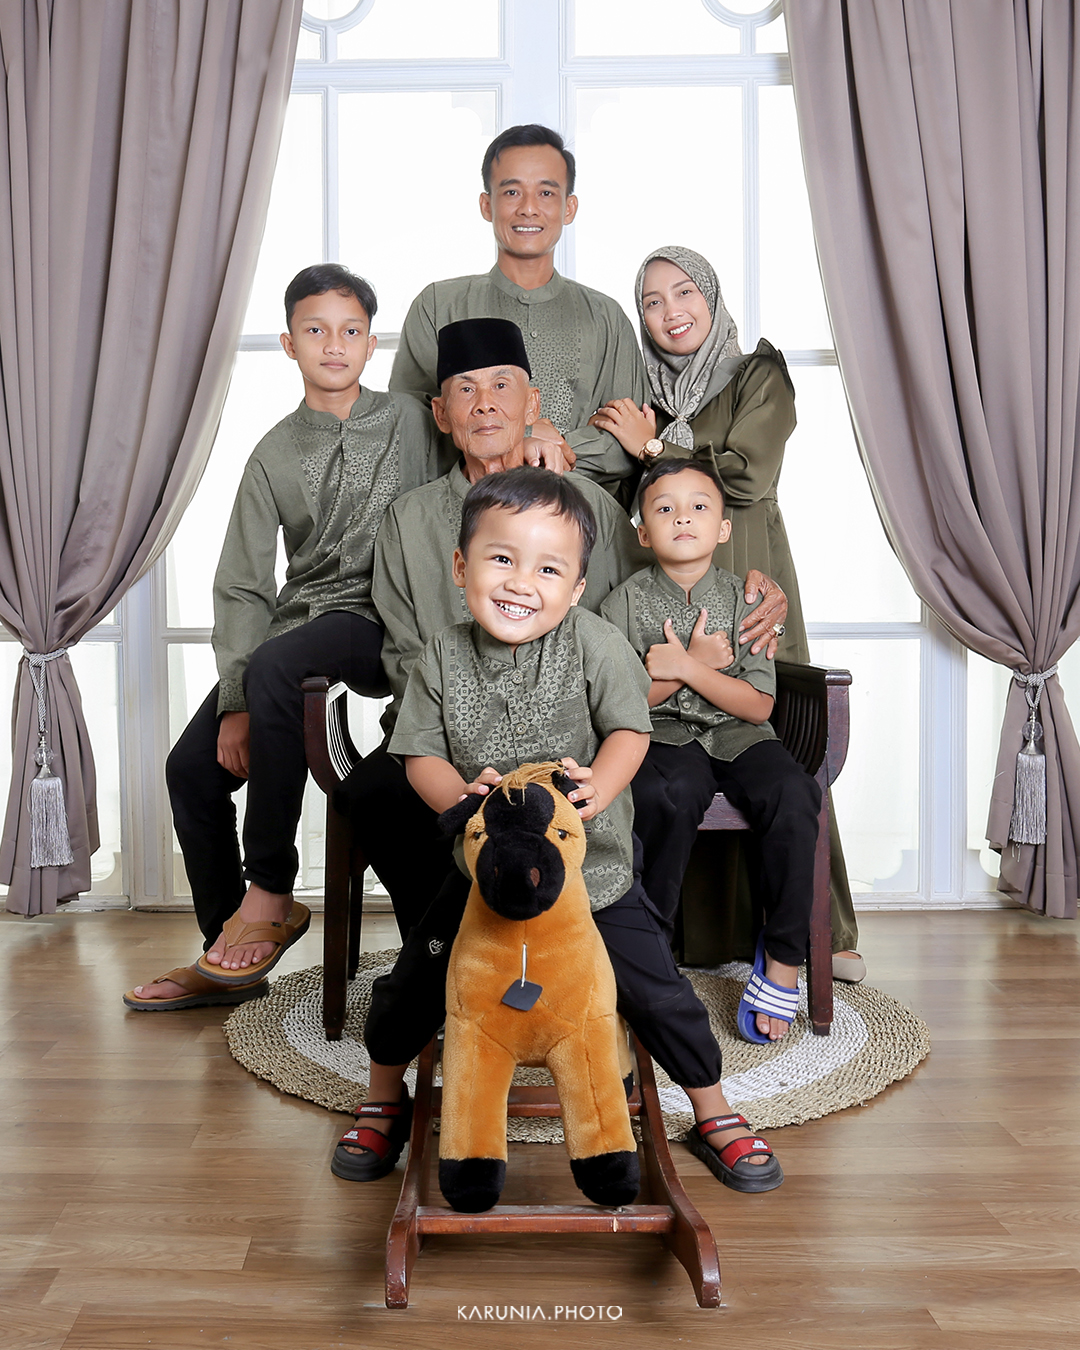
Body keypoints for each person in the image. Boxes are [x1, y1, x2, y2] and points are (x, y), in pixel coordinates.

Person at [333, 466, 784, 1194]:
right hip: (481, 878)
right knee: (417, 976)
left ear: (575, 587)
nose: (520, 582)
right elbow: (418, 752)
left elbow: (631, 729)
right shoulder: (441, 656)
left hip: (590, 875)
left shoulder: (594, 643)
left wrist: (600, 789)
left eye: (548, 568)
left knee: (656, 988)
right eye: (501, 558)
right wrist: (460, 798)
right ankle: (386, 1093)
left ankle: (713, 1108)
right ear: (461, 566)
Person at [124, 264, 439, 1010]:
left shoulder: (414, 422)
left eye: (352, 331)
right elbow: (241, 583)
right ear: (288, 343)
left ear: (372, 343)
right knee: (191, 772)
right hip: (298, 634)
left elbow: (485, 454)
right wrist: (236, 697)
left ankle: (270, 885)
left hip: (384, 620)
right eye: (316, 330)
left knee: (274, 662)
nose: (335, 344)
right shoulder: (271, 451)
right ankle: (228, 953)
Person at [590, 246, 863, 979]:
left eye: (685, 293)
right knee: (676, 769)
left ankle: (813, 936)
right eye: (652, 301)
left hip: (750, 567)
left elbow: (745, 472)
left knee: (770, 748)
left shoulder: (755, 374)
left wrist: (650, 445)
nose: (671, 311)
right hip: (663, 591)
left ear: (711, 299)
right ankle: (683, 947)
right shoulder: (644, 391)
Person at [339, 316, 648, 938]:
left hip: (572, 737)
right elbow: (403, 648)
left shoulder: (585, 504)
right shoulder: (409, 519)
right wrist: (455, 743)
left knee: (657, 787)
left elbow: (638, 607)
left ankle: (609, 949)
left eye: (503, 386)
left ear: (531, 403)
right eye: (465, 389)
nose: (485, 405)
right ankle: (441, 949)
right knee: (368, 795)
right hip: (446, 734)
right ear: (441, 413)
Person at [602, 460, 822, 1042]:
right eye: (665, 507)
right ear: (643, 531)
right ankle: (650, 961)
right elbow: (621, 703)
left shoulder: (747, 597)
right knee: (666, 794)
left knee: (795, 793)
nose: (683, 518)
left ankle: (782, 958)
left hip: (738, 734)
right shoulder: (620, 604)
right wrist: (685, 671)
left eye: (699, 506)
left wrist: (687, 667)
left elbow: (757, 706)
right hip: (661, 735)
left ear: (724, 528)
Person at [389, 124, 650, 490]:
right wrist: (520, 436)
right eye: (512, 191)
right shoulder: (438, 306)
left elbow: (628, 443)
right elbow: (410, 431)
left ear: (569, 207)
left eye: (546, 192)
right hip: (463, 524)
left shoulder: (605, 317)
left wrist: (539, 445)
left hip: (581, 526)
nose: (528, 208)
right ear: (486, 204)